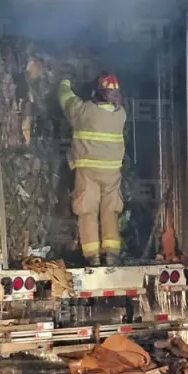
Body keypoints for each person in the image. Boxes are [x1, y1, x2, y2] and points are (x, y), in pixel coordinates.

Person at [59, 74, 127, 266]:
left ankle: (93, 256)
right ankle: (111, 253)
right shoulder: (120, 114)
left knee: (87, 209)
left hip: (88, 170)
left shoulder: (84, 111)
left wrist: (64, 81)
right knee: (110, 210)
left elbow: (65, 98)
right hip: (112, 171)